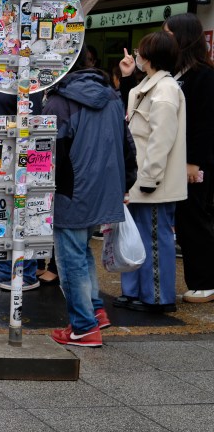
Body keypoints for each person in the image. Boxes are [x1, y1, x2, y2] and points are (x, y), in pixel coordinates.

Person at [45, 52, 136, 347]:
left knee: (71, 259)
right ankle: (96, 312)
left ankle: (83, 326)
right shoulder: (112, 97)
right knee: (82, 253)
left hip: (71, 191)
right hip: (104, 189)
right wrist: (126, 183)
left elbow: (49, 153)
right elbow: (127, 143)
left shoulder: (59, 101)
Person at [116, 34, 187, 314]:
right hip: (142, 178)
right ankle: (135, 292)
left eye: (140, 51)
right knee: (139, 236)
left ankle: (157, 296)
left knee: (153, 238)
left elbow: (162, 139)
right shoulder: (149, 86)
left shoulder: (165, 89)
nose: (137, 55)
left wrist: (149, 178)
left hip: (152, 181)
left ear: (150, 56)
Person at [164, 13, 214, 303]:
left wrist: (193, 162)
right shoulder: (175, 73)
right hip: (175, 160)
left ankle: (205, 281)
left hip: (194, 162)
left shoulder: (204, 76)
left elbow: (205, 124)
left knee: (195, 218)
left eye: (168, 34)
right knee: (185, 220)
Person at [0, 87, 45, 292]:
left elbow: (31, 121)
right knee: (0, 210)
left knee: (24, 212)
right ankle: (5, 269)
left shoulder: (30, 86)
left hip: (21, 153)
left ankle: (26, 273)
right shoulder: (0, 83)